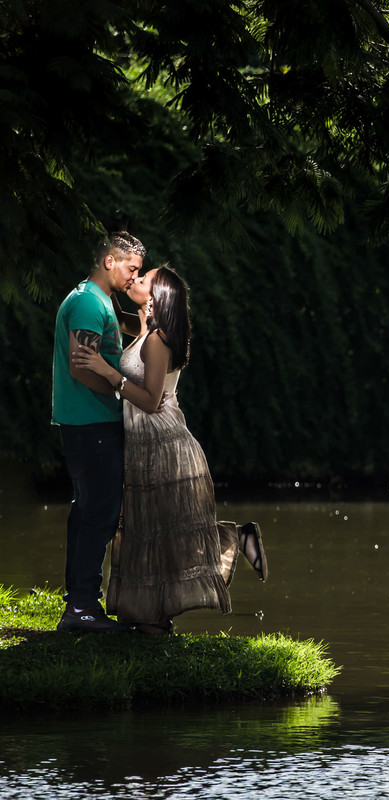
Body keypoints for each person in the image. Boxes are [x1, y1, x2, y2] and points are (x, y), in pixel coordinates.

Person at [72, 264, 267, 635]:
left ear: (158, 296)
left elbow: (148, 400)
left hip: (160, 441)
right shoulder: (144, 326)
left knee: (159, 527)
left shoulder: (159, 339)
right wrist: (109, 281)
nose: (137, 278)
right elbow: (114, 316)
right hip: (143, 439)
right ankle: (152, 613)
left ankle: (227, 545)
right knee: (152, 526)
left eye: (144, 279)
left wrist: (105, 369)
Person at [52, 232, 145, 633]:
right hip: (91, 423)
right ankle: (83, 608)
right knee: (100, 513)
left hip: (91, 422)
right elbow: (80, 368)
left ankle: (79, 600)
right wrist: (123, 392)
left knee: (88, 510)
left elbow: (118, 331)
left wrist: (150, 314)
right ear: (110, 261)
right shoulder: (89, 302)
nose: (133, 277)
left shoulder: (100, 300)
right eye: (132, 269)